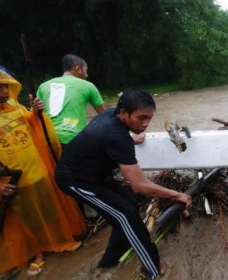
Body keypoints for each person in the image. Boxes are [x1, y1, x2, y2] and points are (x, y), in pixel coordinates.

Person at [55, 89, 192, 279]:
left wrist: (132, 137)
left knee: (131, 207)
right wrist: (177, 195)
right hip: (75, 180)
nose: (145, 124)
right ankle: (153, 268)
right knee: (125, 215)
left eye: (149, 118)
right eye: (141, 118)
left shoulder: (112, 116)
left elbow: (109, 137)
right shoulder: (117, 137)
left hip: (97, 174)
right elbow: (139, 186)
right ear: (123, 113)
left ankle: (110, 260)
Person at [0, 62, 85, 276]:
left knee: (49, 209)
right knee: (27, 218)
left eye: (6, 86)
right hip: (12, 180)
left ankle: (60, 239)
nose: (5, 91)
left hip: (36, 169)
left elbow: (32, 124)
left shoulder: (14, 106)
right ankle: (38, 252)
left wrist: (36, 112)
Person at [37, 54, 105, 148]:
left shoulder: (43, 86)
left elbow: (35, 115)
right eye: (86, 70)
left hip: (47, 139)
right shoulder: (88, 86)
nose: (87, 74)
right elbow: (104, 116)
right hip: (72, 138)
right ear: (78, 69)